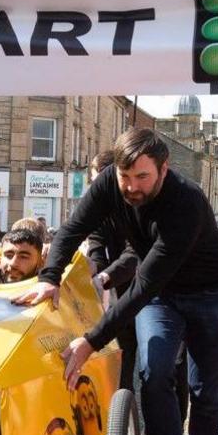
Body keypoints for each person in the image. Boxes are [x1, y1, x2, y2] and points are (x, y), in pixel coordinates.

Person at [14, 128, 218, 435]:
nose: (131, 187)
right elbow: (72, 230)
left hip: (209, 293)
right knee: (153, 371)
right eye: (124, 178)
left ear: (164, 170)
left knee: (204, 389)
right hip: (163, 297)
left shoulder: (186, 202)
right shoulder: (109, 185)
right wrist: (50, 279)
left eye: (142, 178)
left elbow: (143, 285)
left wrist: (91, 340)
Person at [86, 149, 139, 391]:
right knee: (121, 368)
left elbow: (134, 253)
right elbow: (96, 248)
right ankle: (122, 421)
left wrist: (106, 276)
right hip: (120, 297)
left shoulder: (136, 204)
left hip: (153, 293)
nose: (96, 191)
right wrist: (93, 270)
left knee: (158, 370)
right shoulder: (98, 209)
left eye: (99, 183)